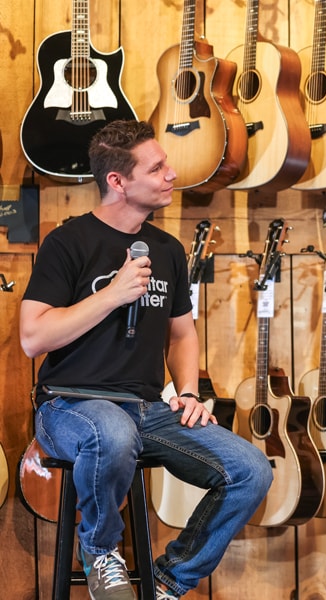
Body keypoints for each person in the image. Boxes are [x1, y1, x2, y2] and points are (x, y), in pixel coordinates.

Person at [20, 120, 272, 600]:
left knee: (251, 469)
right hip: (70, 406)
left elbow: (181, 333)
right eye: (157, 168)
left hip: (148, 410)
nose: (172, 174)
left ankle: (169, 581)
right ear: (117, 181)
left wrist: (191, 392)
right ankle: (100, 554)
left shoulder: (168, 250)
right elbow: (33, 337)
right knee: (110, 432)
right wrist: (112, 295)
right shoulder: (68, 242)